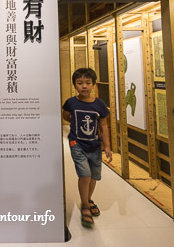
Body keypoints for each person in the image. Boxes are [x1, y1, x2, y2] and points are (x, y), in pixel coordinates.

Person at [62, 67, 112, 229]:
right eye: (80, 83)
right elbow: (66, 115)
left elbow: (104, 125)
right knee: (85, 175)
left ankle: (88, 199)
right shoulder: (71, 102)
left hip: (95, 146)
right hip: (77, 144)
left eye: (88, 83)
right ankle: (85, 206)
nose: (84, 86)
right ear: (75, 85)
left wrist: (108, 146)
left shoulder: (99, 105)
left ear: (93, 85)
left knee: (94, 177)